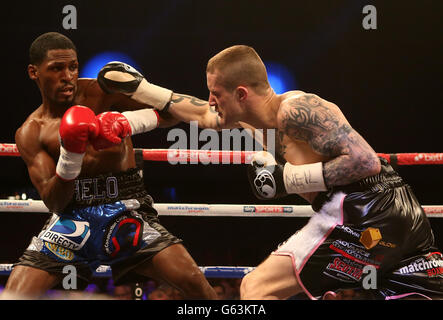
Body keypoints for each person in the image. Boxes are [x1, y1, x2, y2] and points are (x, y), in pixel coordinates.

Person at [114, 45, 443, 299]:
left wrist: (286, 179)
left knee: (256, 288)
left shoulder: (297, 110)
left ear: (241, 94)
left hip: (362, 209)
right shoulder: (245, 119)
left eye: (216, 94)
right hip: (401, 217)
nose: (211, 101)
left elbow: (366, 163)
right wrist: (140, 89)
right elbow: (199, 113)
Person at [2, 32, 216, 299]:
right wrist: (72, 153)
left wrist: (127, 122)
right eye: (56, 68)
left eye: (72, 66)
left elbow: (172, 113)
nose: (67, 75)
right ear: (34, 72)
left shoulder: (100, 92)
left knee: (196, 283)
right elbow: (55, 202)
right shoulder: (31, 132)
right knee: (14, 294)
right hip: (71, 219)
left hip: (125, 208)